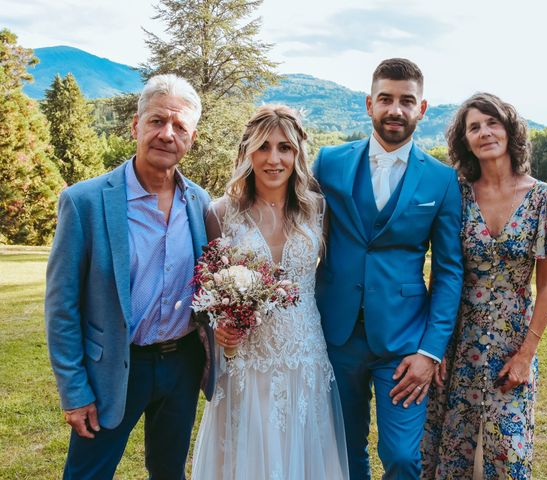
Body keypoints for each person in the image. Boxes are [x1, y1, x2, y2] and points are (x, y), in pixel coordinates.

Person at [45, 74, 213, 479]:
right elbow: (61, 306)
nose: (166, 134)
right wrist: (74, 391)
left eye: (179, 127)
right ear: (136, 125)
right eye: (157, 121)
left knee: (169, 471)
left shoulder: (200, 203)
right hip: (113, 368)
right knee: (88, 473)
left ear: (191, 138)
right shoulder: (84, 202)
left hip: (181, 364)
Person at [313, 58, 464, 479]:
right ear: (369, 104)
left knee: (401, 456)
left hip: (403, 344)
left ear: (422, 108)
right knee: (343, 450)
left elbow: (449, 272)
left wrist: (430, 351)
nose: (395, 109)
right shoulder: (328, 163)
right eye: (386, 99)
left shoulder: (442, 180)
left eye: (406, 101)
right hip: (336, 335)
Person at [191, 105, 349, 480]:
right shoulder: (220, 212)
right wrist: (218, 326)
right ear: (247, 151)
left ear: (298, 154)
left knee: (303, 451)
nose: (273, 159)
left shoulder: (318, 209)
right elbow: (208, 284)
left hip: (303, 351)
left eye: (284, 148)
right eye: (263, 147)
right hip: (246, 355)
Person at [421, 92, 547, 479]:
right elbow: (442, 271)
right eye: (474, 127)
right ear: (464, 140)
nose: (485, 132)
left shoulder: (544, 198)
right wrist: (435, 348)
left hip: (512, 342)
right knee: (450, 450)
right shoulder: (455, 193)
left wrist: (526, 354)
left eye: (492, 123)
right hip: (458, 339)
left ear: (509, 130)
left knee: (508, 452)